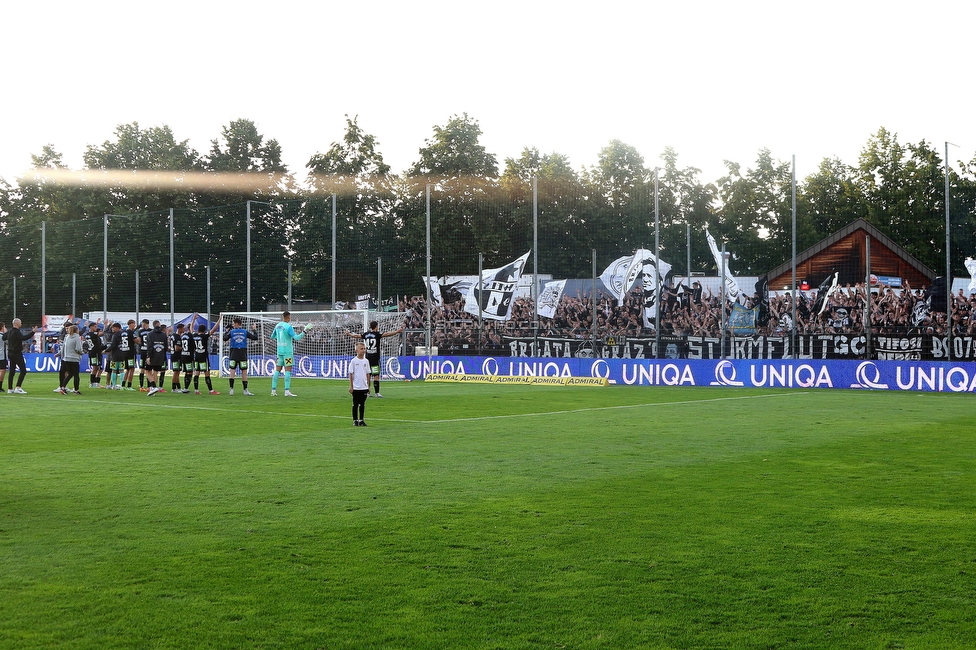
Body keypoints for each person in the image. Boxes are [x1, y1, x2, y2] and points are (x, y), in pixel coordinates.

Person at [345, 320, 404, 397]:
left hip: (367, 358)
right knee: (376, 376)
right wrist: (396, 332)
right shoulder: (377, 334)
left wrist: (349, 334)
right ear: (376, 326)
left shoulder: (366, 334)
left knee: (368, 375)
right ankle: (377, 393)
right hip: (375, 358)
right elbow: (387, 334)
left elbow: (357, 336)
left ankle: (368, 392)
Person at [270, 311, 309, 397]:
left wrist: (280, 338)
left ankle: (273, 390)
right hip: (287, 353)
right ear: (288, 317)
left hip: (279, 352)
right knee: (288, 370)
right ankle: (287, 391)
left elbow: (272, 337)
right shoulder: (289, 327)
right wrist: (305, 331)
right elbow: (297, 338)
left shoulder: (277, 326)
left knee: (277, 370)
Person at [224, 317, 259, 395]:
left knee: (232, 371)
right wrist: (254, 329)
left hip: (233, 353)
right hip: (242, 353)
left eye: (234, 323)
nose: (233, 325)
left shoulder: (232, 332)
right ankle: (245, 390)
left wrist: (227, 331)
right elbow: (255, 337)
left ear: (236, 324)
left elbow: (224, 338)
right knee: (244, 372)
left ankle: (231, 389)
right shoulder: (245, 332)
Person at [190, 321, 220, 395]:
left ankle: (196, 390)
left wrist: (193, 319)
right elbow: (214, 329)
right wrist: (219, 319)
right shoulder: (204, 336)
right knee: (207, 374)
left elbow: (191, 328)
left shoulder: (194, 335)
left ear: (198, 330)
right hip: (203, 357)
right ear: (204, 330)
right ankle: (211, 390)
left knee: (197, 373)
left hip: (196, 356)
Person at [4, 318, 31, 394]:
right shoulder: (16, 332)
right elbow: (23, 338)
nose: (21, 324)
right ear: (17, 324)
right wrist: (33, 333)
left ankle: (10, 388)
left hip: (10, 353)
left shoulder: (9, 332)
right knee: (23, 370)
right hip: (17, 353)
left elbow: (4, 337)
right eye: (20, 323)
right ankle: (18, 387)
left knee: (12, 371)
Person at [145, 320, 169, 397]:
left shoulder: (150, 334)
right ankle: (153, 390)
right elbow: (166, 347)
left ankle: (154, 387)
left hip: (153, 355)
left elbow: (149, 346)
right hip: (161, 355)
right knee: (156, 372)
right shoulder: (164, 335)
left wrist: (148, 356)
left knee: (147, 371)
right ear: (159, 325)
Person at [349, 342, 370, 426]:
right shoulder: (354, 361)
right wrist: (351, 386)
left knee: (362, 404)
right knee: (355, 404)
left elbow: (368, 374)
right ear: (356, 350)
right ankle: (355, 420)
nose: (363, 350)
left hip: (364, 386)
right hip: (356, 387)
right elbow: (351, 373)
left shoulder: (366, 361)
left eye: (364, 349)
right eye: (361, 349)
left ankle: (361, 420)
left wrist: (368, 386)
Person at [59, 325, 84, 394]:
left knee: (70, 374)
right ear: (76, 330)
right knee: (76, 375)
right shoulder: (77, 338)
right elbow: (78, 349)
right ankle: (76, 390)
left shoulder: (67, 337)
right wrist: (81, 352)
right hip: (74, 358)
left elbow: (64, 347)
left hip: (67, 358)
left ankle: (63, 387)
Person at [84, 323, 105, 388]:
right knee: (97, 368)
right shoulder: (92, 334)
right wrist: (105, 325)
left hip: (92, 352)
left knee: (97, 368)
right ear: (91, 327)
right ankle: (94, 383)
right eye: (95, 327)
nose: (96, 328)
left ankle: (94, 383)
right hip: (96, 353)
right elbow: (102, 333)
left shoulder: (88, 335)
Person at [136, 318, 152, 391]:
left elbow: (139, 341)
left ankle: (142, 386)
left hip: (143, 351)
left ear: (145, 324)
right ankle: (149, 386)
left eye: (143, 324)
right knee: (149, 369)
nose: (142, 325)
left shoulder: (140, 331)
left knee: (142, 369)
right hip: (149, 352)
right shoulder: (151, 331)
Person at [122, 319, 138, 390]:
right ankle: (129, 386)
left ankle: (123, 385)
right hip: (131, 352)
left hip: (125, 352)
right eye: (134, 324)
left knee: (127, 369)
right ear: (131, 324)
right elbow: (137, 341)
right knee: (132, 369)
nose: (135, 325)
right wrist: (139, 338)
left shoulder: (124, 332)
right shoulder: (131, 333)